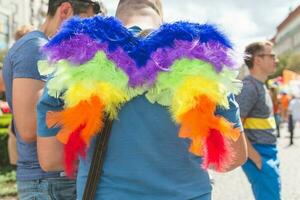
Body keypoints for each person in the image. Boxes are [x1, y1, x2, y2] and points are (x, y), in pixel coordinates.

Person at [36, 0, 247, 199]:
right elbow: (234, 156)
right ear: (159, 16)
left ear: (118, 15)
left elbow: (51, 160)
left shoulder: (76, 55)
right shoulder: (202, 58)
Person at [2, 0, 103, 199]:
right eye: (84, 24)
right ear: (65, 10)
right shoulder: (36, 48)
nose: (87, 35)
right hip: (49, 184)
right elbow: (30, 128)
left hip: (52, 182)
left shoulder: (41, 48)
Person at [235, 41, 281, 200]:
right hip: (259, 153)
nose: (277, 60)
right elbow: (234, 126)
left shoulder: (261, 85)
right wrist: (255, 157)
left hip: (268, 152)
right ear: (258, 59)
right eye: (272, 55)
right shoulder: (249, 87)